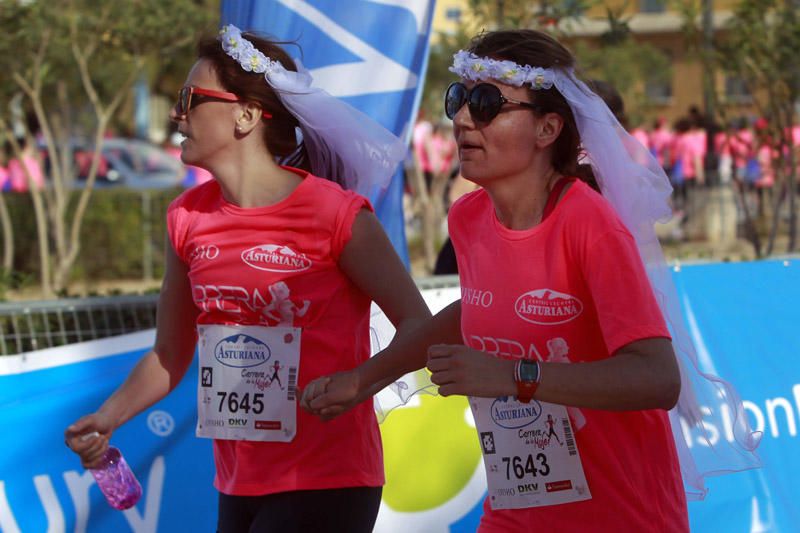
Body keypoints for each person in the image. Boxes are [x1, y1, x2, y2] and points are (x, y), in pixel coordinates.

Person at [303, 29, 759, 531]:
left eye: (485, 102)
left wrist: (513, 376)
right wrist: (363, 379)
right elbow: (474, 310)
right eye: (458, 98)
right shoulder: (468, 219)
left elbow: (657, 377)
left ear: (547, 129)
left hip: (616, 515)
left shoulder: (591, 225)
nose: (460, 118)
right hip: (515, 513)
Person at [64, 24, 430, 533]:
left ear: (247, 115)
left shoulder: (336, 214)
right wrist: (107, 417)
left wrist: (360, 382)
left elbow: (419, 323)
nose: (177, 113)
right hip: (237, 484)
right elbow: (169, 354)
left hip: (328, 479)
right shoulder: (185, 218)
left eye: (191, 98)